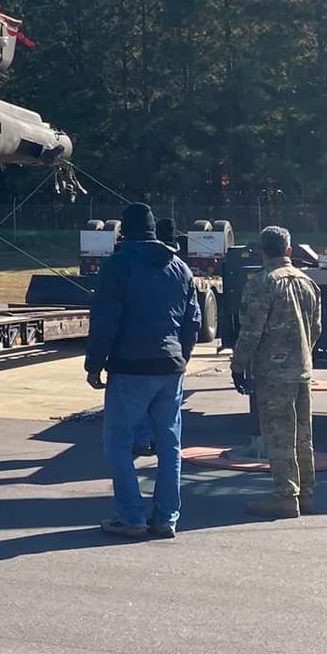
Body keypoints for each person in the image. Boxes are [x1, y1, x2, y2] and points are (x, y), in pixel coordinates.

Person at [85, 201, 200, 541]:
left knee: (118, 443)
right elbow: (192, 322)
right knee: (169, 443)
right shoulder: (180, 268)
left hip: (130, 366)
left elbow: (105, 321)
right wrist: (182, 357)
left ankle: (132, 515)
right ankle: (166, 517)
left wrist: (94, 364)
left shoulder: (118, 266)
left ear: (124, 230)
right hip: (170, 366)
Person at [232, 225, 323, 520]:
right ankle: (306, 492)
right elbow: (317, 328)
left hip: (273, 373)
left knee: (279, 435)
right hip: (302, 369)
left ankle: (286, 496)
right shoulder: (308, 283)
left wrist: (238, 365)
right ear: (288, 250)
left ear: (261, 251)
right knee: (303, 435)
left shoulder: (262, 283)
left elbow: (250, 332)